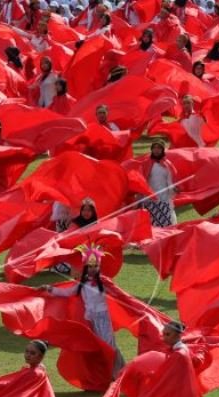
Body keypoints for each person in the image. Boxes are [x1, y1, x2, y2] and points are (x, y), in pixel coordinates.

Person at [42, 243, 126, 379]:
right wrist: (50, 289)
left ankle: (119, 372)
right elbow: (67, 292)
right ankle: (103, 373)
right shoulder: (82, 283)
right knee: (96, 347)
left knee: (109, 346)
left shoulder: (104, 282)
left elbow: (120, 295)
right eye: (90, 267)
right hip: (89, 320)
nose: (92, 269)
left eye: (95, 266)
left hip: (103, 318)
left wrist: (129, 303)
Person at [139, 140, 177, 227]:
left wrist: (174, 188)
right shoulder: (145, 164)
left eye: (159, 148)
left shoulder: (168, 165)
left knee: (166, 223)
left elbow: (171, 181)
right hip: (149, 199)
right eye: (154, 148)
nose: (156, 150)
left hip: (164, 199)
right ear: (151, 149)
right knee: (150, 224)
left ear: (163, 150)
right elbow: (141, 181)